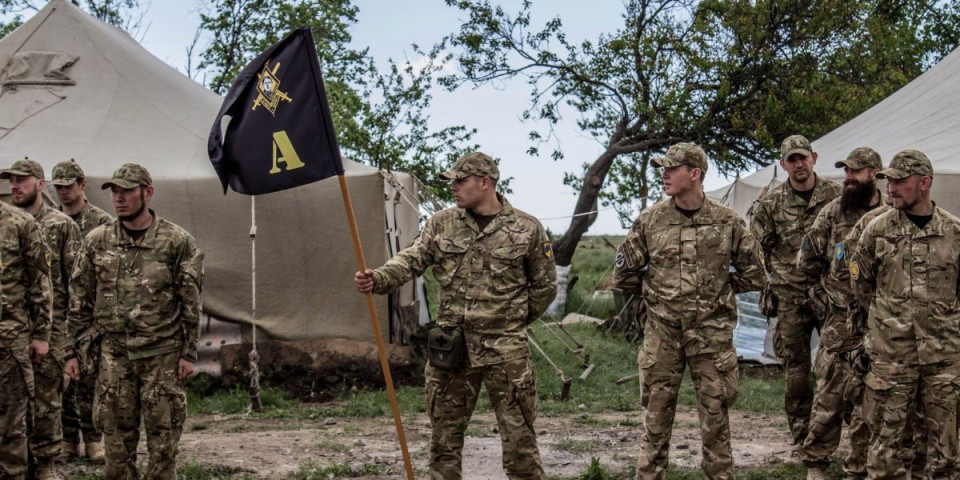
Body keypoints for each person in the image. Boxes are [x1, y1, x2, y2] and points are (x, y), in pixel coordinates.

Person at [354, 152, 557, 480]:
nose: (453, 187)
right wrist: (378, 278)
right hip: (451, 350)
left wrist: (510, 322)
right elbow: (411, 259)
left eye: (460, 181)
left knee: (520, 442)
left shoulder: (526, 228)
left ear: (485, 183)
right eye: (452, 181)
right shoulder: (441, 224)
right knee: (444, 442)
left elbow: (545, 288)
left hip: (505, 353)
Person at [613, 143, 765, 479]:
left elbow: (755, 272)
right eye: (662, 169)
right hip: (662, 335)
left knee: (716, 418)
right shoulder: (651, 220)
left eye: (672, 168)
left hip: (711, 337)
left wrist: (718, 293)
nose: (664, 175)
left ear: (695, 174)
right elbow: (622, 275)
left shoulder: (727, 221)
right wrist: (657, 297)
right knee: (655, 417)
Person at [64, 163, 204, 480]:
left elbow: (191, 300)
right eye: (114, 191)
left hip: (162, 356)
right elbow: (79, 299)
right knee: (115, 447)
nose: (119, 198)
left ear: (147, 192)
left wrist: (188, 352)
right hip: (114, 357)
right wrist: (70, 350)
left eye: (127, 190)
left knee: (164, 446)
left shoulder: (176, 242)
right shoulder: (97, 241)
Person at [849, 150, 960, 479]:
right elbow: (861, 285)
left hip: (944, 363)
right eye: (888, 181)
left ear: (924, 183)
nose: (891, 188)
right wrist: (887, 326)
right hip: (891, 362)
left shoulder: (954, 233)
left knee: (947, 456)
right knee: (886, 454)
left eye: (899, 181)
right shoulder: (876, 231)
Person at [794, 148, 884, 480]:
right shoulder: (832, 214)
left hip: (878, 327)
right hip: (839, 325)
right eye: (845, 171)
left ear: (874, 175)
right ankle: (816, 463)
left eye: (855, 172)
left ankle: (860, 466)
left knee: (868, 402)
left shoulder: (889, 215)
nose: (848, 178)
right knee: (828, 398)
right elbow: (805, 263)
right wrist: (819, 299)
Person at [750, 135, 843, 452]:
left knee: (837, 368)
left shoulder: (836, 195)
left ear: (814, 157)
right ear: (783, 165)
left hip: (831, 297)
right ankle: (802, 438)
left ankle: (833, 435)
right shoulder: (770, 205)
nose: (798, 164)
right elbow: (756, 251)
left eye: (803, 157)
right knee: (797, 374)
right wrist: (772, 281)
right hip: (790, 300)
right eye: (792, 159)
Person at [2, 159, 82, 480]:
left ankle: (46, 459)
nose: (14, 186)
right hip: (16, 324)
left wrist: (66, 332)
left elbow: (71, 279)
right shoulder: (10, 222)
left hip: (52, 323)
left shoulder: (59, 224)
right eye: (11, 180)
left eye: (22, 180)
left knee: (48, 394)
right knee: (14, 399)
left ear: (39, 184)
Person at [50, 159, 111, 463]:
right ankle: (68, 440)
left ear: (82, 185)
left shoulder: (102, 222)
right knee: (62, 378)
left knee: (89, 377)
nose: (63, 191)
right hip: (59, 311)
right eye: (58, 186)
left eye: (68, 186)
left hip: (91, 312)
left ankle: (94, 438)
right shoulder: (48, 223)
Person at [0, 168, 53, 480]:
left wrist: (41, 335)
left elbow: (40, 283)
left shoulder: (20, 223)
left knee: (10, 424)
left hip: (10, 340)